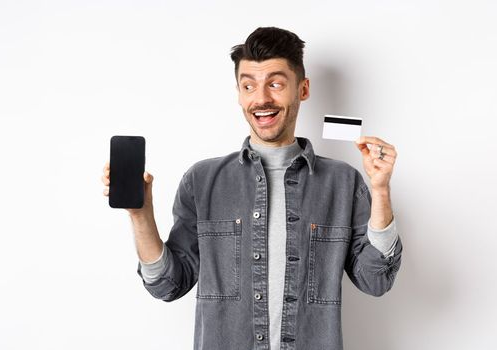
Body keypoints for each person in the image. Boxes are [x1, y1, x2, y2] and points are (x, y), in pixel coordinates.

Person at [100, 26, 402, 349]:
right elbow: (168, 285)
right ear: (239, 93)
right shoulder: (202, 182)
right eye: (248, 85)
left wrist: (381, 190)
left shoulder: (343, 183)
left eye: (275, 83)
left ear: (303, 89)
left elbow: (376, 279)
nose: (261, 99)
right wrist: (140, 215)